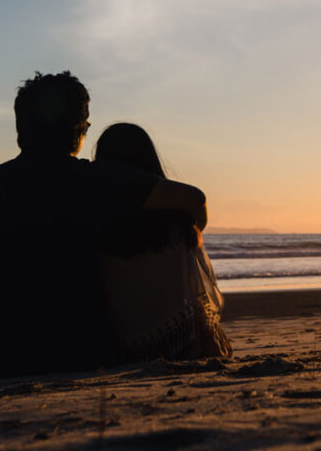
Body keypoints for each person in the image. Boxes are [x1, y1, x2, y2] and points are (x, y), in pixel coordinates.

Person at [0, 72, 208, 379]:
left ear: (20, 130)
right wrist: (188, 241)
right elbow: (194, 200)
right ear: (77, 130)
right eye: (85, 125)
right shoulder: (97, 179)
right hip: (79, 352)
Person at [93, 123, 232, 361]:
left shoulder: (95, 217)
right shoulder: (177, 221)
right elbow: (198, 205)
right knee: (190, 238)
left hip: (123, 340)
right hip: (179, 334)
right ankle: (203, 338)